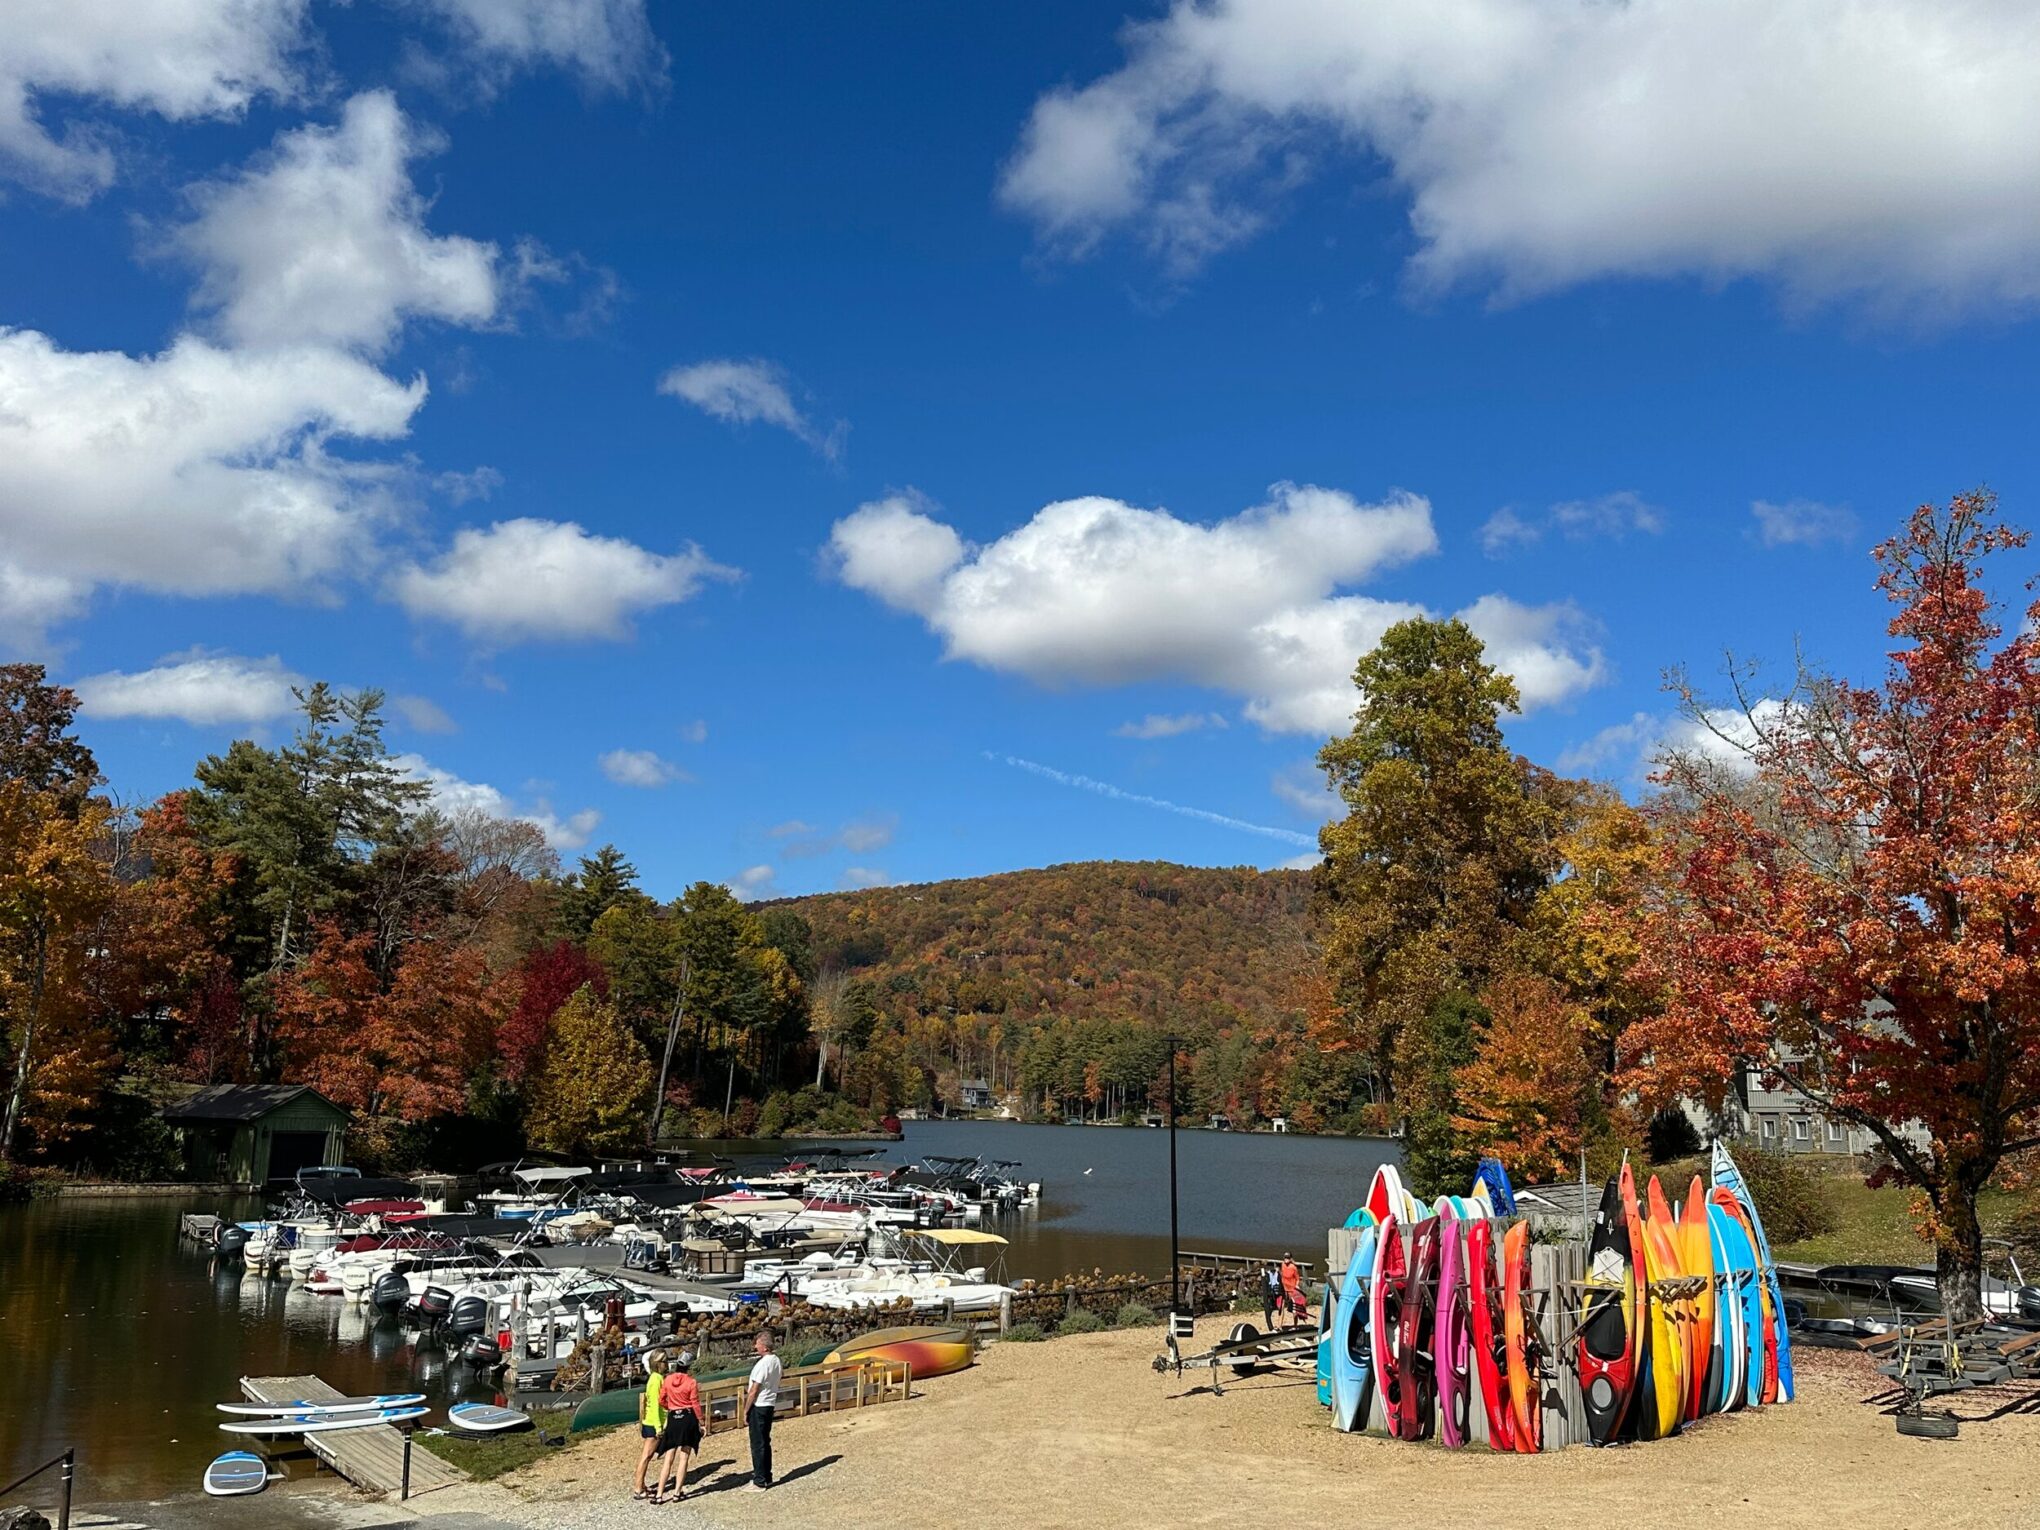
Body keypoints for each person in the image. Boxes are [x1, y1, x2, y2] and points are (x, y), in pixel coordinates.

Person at [653, 1351, 706, 1504]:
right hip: (688, 1417)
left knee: (668, 1458)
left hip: (673, 1418)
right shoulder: (691, 1382)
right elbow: (695, 1404)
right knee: (684, 1457)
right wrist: (701, 1422)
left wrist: (669, 1406)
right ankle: (677, 1493)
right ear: (689, 1366)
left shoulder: (668, 1380)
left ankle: (659, 1494)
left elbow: (661, 1399)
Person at [742, 1327, 782, 1491]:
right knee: (765, 1441)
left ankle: (759, 1480)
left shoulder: (763, 1364)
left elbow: (754, 1390)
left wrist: (745, 1410)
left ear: (765, 1347)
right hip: (769, 1403)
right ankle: (767, 1476)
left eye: (757, 1344)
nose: (755, 1347)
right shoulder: (776, 1361)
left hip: (759, 1405)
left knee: (757, 1443)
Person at [632, 1351, 669, 1500]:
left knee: (646, 1456)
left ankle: (640, 1485)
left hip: (654, 1421)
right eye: (664, 1361)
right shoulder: (656, 1379)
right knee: (646, 1456)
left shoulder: (657, 1378)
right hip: (654, 1423)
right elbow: (654, 1404)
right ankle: (638, 1488)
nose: (667, 1364)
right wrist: (659, 1427)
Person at [1280, 1253, 1305, 1331]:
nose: (1286, 1259)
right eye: (1285, 1257)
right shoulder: (1282, 1264)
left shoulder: (1293, 1267)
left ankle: (1295, 1325)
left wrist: (1297, 1286)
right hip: (1284, 1288)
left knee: (1294, 1308)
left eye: (1288, 1258)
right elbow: (1282, 1274)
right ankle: (1279, 1325)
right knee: (1281, 1306)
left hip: (1292, 1289)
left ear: (1290, 1258)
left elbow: (1297, 1278)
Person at [1261, 1261, 1281, 1329]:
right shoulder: (1266, 1274)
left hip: (1275, 1293)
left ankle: (1276, 1325)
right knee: (1269, 1309)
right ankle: (1270, 1325)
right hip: (1269, 1294)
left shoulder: (1278, 1274)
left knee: (1276, 1308)